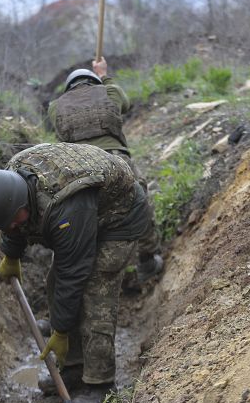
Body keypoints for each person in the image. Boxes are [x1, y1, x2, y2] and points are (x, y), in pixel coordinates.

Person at [0, 142, 150, 403]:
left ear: (23, 201)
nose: (11, 226)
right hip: (88, 212)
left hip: (118, 219)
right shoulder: (11, 181)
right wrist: (11, 254)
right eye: (6, 224)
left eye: (14, 221)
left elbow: (74, 271)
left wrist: (61, 330)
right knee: (55, 285)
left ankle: (100, 384)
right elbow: (13, 224)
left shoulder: (64, 206)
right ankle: (73, 369)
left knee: (95, 296)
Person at [47, 56, 163, 284]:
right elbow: (126, 103)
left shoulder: (55, 107)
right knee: (139, 204)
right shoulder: (110, 93)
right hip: (116, 162)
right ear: (96, 84)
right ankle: (148, 259)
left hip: (77, 171)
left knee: (72, 223)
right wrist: (104, 74)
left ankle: (74, 276)